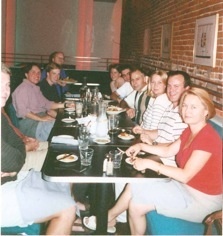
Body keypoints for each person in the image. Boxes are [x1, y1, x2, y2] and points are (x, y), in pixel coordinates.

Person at [84, 88, 222, 235]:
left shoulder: (208, 138)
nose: (187, 110)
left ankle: (107, 219)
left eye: (193, 107)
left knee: (137, 203)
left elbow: (185, 175)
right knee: (136, 189)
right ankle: (109, 219)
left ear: (206, 111)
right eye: (184, 105)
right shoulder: (190, 130)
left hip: (205, 202)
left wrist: (150, 164)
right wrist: (141, 146)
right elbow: (168, 150)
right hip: (185, 188)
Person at [1, 63, 76, 235]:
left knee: (64, 173)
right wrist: (13, 164)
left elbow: (16, 149)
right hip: (6, 189)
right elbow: (12, 161)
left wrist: (13, 163)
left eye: (6, 85)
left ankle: (65, 216)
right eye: (0, 86)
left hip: (13, 179)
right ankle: (65, 214)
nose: (5, 91)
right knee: (67, 208)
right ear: (26, 74)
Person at [12, 63, 72, 141]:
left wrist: (66, 105)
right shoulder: (22, 89)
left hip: (39, 119)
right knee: (59, 132)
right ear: (26, 74)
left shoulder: (35, 88)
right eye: (33, 72)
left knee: (62, 127)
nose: (37, 75)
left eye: (38, 73)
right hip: (29, 124)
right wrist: (41, 118)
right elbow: (23, 112)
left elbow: (47, 104)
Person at [136, 70, 191, 146]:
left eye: (176, 86)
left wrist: (152, 144)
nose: (171, 90)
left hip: (163, 155)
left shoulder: (184, 113)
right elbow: (160, 132)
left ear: (186, 89)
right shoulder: (170, 107)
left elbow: (178, 147)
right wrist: (143, 131)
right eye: (169, 85)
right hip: (156, 149)